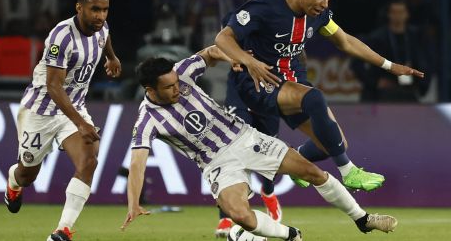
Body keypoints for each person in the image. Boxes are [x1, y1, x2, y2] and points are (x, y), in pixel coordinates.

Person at [120, 45, 398, 241]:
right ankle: (290, 235)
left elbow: (210, 52)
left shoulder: (182, 72)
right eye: (168, 88)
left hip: (244, 137)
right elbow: (137, 164)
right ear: (150, 90)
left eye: (176, 83)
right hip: (215, 163)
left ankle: (363, 219)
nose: (176, 89)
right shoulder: (147, 121)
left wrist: (232, 59)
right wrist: (133, 203)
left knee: (311, 171)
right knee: (238, 214)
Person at [215, 0, 424, 191]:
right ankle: (348, 171)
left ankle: (296, 161)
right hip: (259, 83)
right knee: (314, 98)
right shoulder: (264, 7)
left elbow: (346, 42)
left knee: (334, 144)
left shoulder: (317, 15)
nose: (324, 4)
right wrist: (249, 61)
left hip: (292, 83)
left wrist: (389, 66)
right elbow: (222, 38)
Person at [3, 0, 121, 241]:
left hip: (74, 109)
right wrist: (81, 123)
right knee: (27, 174)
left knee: (89, 160)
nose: (100, 16)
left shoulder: (101, 27)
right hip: (41, 112)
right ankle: (13, 181)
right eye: (94, 10)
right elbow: (54, 87)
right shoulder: (61, 37)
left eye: (104, 10)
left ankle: (62, 230)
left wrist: (111, 57)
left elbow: (105, 37)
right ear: (79, 7)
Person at [216, 0, 282, 237]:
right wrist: (232, 57)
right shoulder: (234, 19)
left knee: (269, 151)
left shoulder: (282, 21)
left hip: (268, 90)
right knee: (230, 149)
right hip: (239, 90)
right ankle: (225, 217)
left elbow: (295, 52)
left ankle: (267, 191)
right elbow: (221, 45)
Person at [350, 0, 431, 102]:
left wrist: (421, 85)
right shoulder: (377, 38)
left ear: (407, 14)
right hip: (382, 94)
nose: (398, 16)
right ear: (389, 14)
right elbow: (356, 63)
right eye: (394, 12)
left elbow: (428, 63)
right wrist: (375, 82)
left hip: (409, 91)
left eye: (401, 12)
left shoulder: (416, 37)